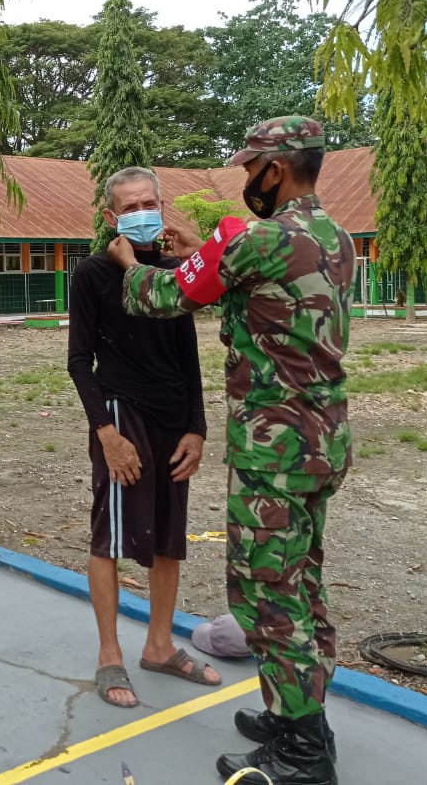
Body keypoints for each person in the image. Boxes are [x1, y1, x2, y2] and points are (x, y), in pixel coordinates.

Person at [108, 117, 353, 785]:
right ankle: (298, 715)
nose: (246, 178)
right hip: (322, 441)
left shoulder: (264, 239)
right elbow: (264, 300)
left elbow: (166, 295)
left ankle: (303, 751)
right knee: (303, 582)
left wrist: (132, 265)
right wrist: (202, 249)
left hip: (275, 448)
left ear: (277, 169)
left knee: (268, 595)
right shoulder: (333, 236)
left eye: (250, 168)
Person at [67, 166, 219, 710]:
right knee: (109, 537)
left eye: (148, 203)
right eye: (129, 207)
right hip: (120, 411)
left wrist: (197, 427)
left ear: (162, 206)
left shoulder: (176, 273)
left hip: (173, 417)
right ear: (111, 217)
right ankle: (110, 654)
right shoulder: (93, 274)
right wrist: (105, 433)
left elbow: (188, 355)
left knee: (169, 538)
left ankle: (159, 645)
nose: (141, 214)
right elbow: (79, 361)